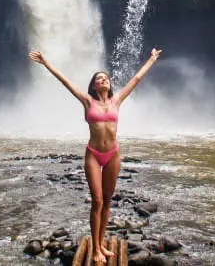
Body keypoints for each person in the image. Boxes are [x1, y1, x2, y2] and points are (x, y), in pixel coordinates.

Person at [29, 47, 163, 264]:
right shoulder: (87, 101)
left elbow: (137, 78)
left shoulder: (117, 100)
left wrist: (152, 58)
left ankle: (100, 244)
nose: (104, 80)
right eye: (99, 79)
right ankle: (96, 247)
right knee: (97, 201)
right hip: (93, 154)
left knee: (108, 201)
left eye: (106, 78)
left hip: (113, 154)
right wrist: (46, 62)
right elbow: (65, 82)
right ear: (93, 85)